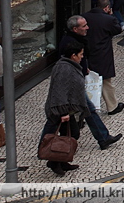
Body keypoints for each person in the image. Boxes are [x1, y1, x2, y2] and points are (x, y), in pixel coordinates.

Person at [56, 16, 123, 152]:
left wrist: (84, 68)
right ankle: (48, 146)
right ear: (75, 29)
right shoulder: (70, 43)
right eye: (84, 26)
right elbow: (67, 65)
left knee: (89, 110)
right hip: (72, 83)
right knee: (59, 119)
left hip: (76, 80)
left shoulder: (76, 39)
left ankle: (103, 138)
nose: (87, 28)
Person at [40, 39, 89, 176]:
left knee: (72, 133)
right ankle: (54, 162)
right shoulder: (64, 68)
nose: (82, 56)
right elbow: (60, 90)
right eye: (80, 54)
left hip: (66, 109)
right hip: (60, 109)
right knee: (64, 134)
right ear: (73, 55)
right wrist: (64, 112)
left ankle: (62, 160)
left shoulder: (69, 65)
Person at [82, 0, 124, 116]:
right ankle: (112, 106)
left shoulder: (84, 17)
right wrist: (111, 16)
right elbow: (117, 30)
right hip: (103, 53)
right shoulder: (109, 19)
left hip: (86, 52)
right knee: (106, 80)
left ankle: (85, 107)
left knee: (85, 80)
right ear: (106, 8)